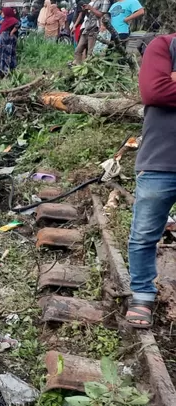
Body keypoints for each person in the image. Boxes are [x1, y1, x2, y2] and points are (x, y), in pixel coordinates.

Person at [125, 33, 176, 328]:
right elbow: (154, 92)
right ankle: (142, 294)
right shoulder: (163, 45)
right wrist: (165, 81)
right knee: (144, 234)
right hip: (160, 160)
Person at [0, 7, 20, 77]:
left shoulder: (12, 19)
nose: (2, 13)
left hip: (7, 42)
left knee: (6, 55)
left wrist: (12, 32)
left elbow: (18, 24)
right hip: (1, 42)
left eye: (3, 12)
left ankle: (6, 70)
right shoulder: (5, 20)